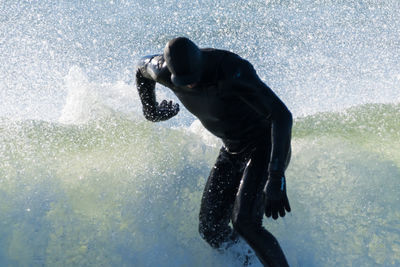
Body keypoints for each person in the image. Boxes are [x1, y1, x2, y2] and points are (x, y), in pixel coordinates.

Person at [135, 37, 292, 267]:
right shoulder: (161, 70)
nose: (190, 86)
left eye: (194, 79)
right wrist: (151, 111)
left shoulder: (231, 70)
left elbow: (282, 116)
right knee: (210, 229)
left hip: (264, 145)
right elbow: (141, 70)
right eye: (184, 81)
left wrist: (276, 174)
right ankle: (250, 262)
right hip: (232, 148)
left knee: (245, 222)